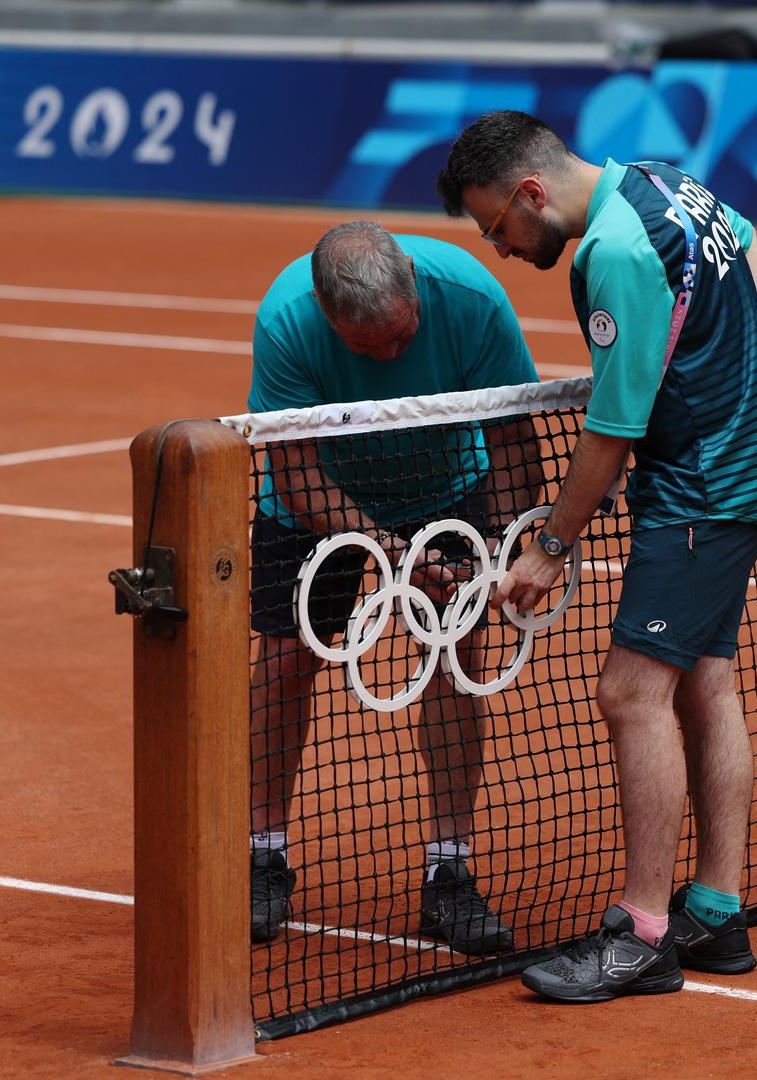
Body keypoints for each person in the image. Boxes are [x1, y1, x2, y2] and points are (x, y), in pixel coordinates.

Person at [437, 112, 757, 1001]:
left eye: (497, 228)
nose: (504, 248)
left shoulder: (615, 252)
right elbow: (745, 246)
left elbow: (612, 427)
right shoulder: (661, 179)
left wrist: (550, 549)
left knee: (629, 694)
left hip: (699, 493)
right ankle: (712, 910)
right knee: (705, 685)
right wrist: (737, 367)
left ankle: (640, 935)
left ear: (530, 193)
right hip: (748, 464)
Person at [247, 221, 541, 955]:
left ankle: (449, 874)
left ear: (412, 286)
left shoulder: (474, 300)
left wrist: (494, 557)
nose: (385, 356)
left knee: (455, 657)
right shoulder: (286, 320)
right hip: (316, 500)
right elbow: (296, 473)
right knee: (285, 661)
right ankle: (261, 854)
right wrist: (390, 552)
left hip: (443, 482)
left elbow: (510, 444)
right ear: (323, 310)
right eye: (363, 348)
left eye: (399, 340)